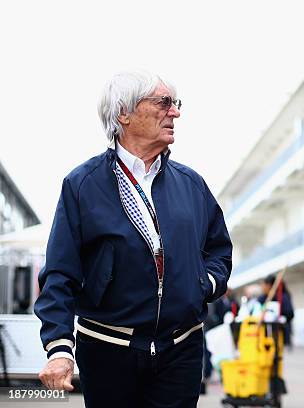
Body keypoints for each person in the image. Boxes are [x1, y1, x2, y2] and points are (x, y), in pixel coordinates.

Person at [34, 70, 232, 408]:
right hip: (107, 350)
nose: (175, 112)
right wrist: (59, 347)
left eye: (175, 103)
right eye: (163, 103)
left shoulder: (192, 184)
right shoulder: (82, 184)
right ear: (124, 113)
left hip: (180, 349)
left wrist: (203, 284)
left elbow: (219, 250)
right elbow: (60, 272)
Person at [258, 274, 295, 348]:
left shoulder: (282, 297)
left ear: (269, 285)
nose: (262, 288)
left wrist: (281, 318)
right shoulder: (263, 298)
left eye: (264, 285)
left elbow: (290, 313)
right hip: (262, 333)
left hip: (277, 332)